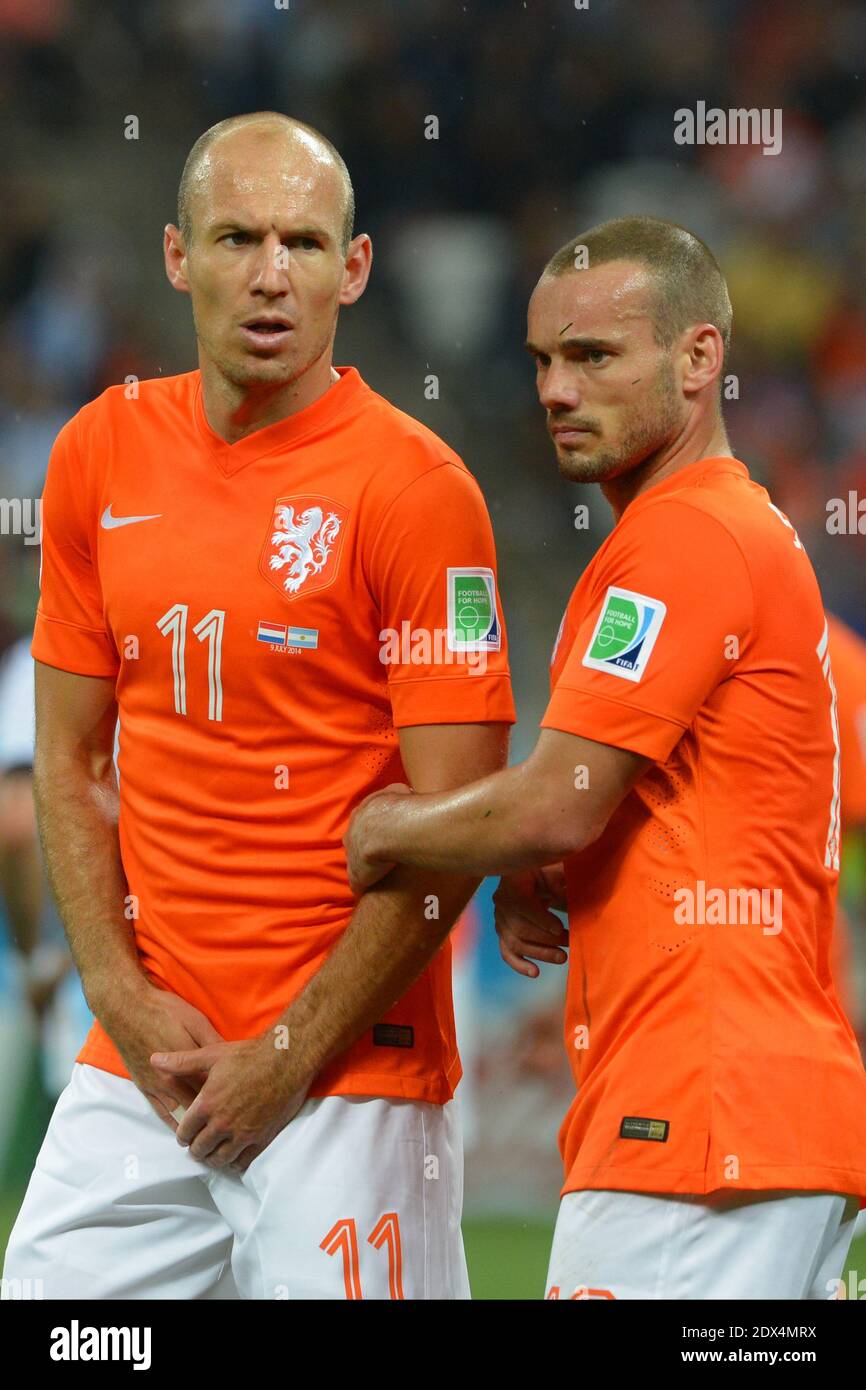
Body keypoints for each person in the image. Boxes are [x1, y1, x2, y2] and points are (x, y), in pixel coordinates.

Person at [3, 111, 515, 1300]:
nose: (271, 275)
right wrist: (122, 1001)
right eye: (237, 237)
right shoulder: (98, 454)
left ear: (356, 266)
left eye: (303, 240)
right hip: (146, 1067)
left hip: (349, 1079)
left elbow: (459, 831)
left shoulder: (419, 493)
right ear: (178, 256)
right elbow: (69, 761)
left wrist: (286, 1055)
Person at [345, 215, 866, 1300]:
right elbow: (644, 811)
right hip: (750, 1124)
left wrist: (382, 823)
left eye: (591, 355)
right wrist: (550, 869)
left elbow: (553, 805)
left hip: (697, 1124)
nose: (553, 388)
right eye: (540, 359)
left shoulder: (683, 539)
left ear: (696, 359)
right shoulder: (713, 532)